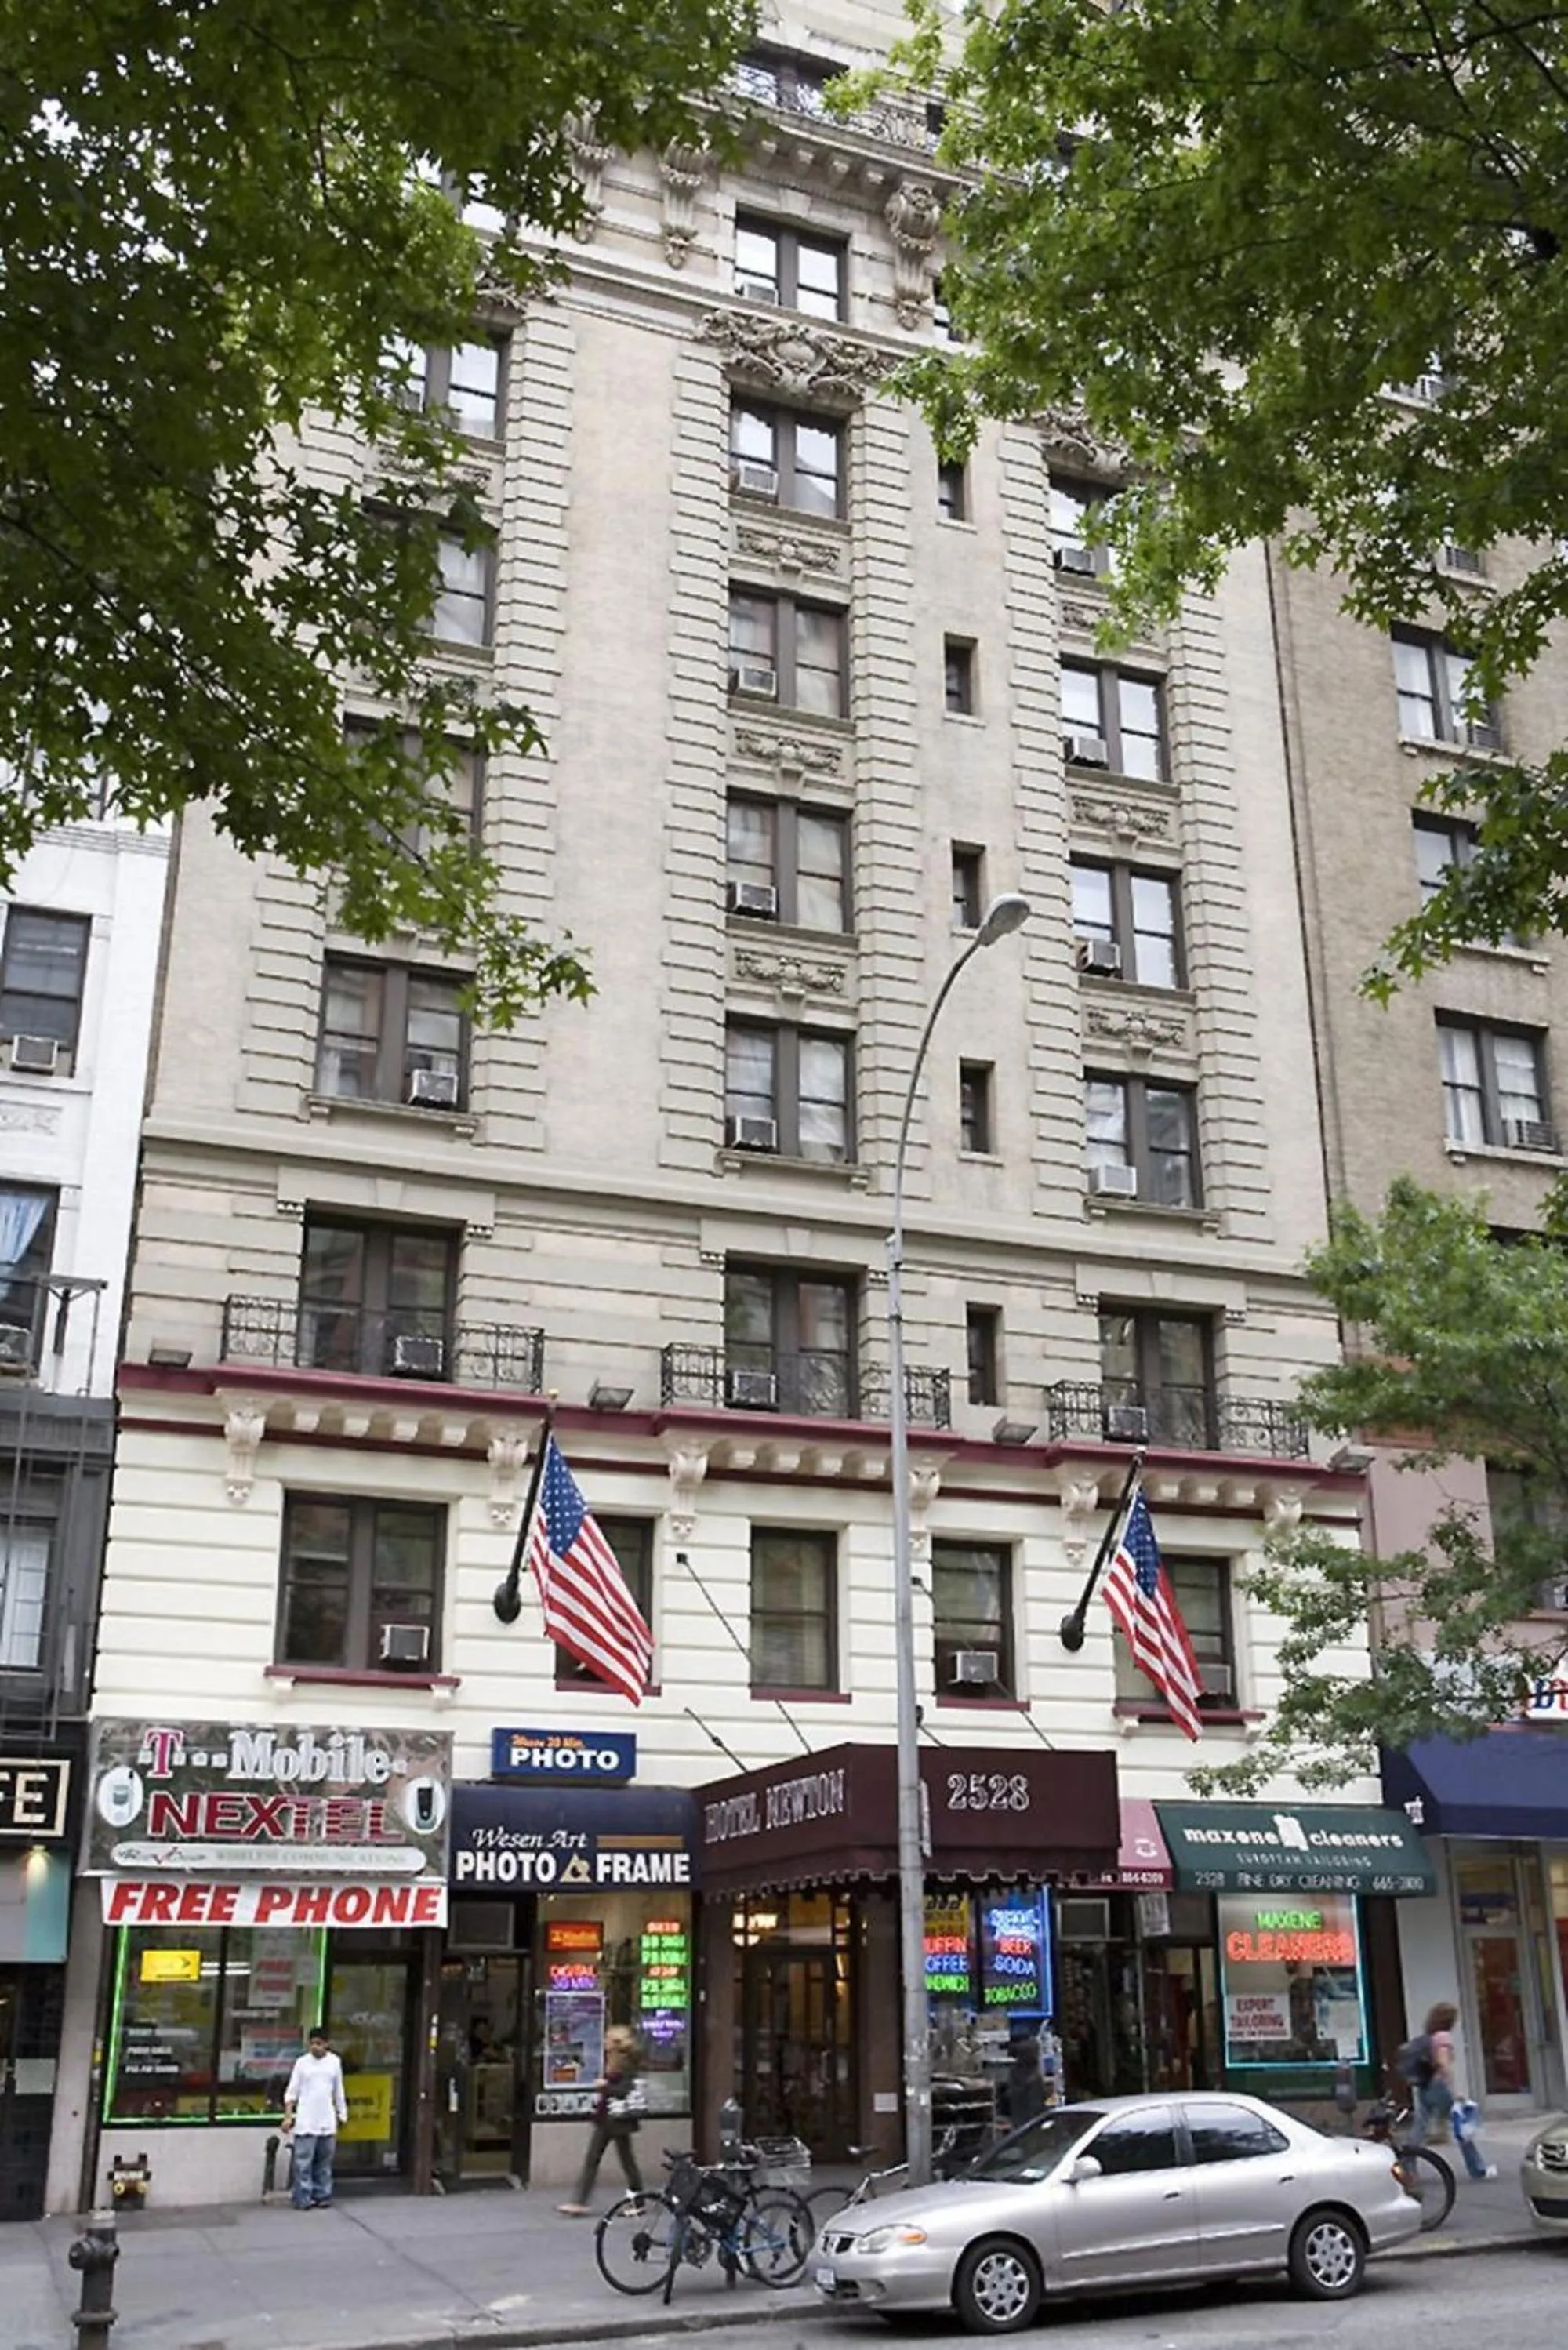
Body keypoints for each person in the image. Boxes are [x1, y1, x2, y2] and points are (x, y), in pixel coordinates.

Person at [1402, 2002, 1497, 2181]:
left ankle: (1407, 2165)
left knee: (1419, 2127)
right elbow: (1443, 2063)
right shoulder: (1443, 2037)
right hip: (1439, 2086)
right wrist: (1455, 2091)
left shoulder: (1430, 2037)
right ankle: (1478, 2169)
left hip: (1426, 2085)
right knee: (1462, 2128)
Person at [558, 2025, 643, 2216]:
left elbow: (624, 2090)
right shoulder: (613, 2060)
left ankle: (636, 2201)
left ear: (616, 2043)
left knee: (620, 2161)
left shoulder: (626, 2063)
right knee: (604, 2160)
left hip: (618, 2119)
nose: (604, 2042)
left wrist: (605, 2086)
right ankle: (581, 2201)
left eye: (608, 2039)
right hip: (607, 2118)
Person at [283, 2025, 349, 2210]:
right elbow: (292, 2092)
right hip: (306, 2120)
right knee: (303, 2163)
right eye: (312, 2043)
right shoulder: (302, 2063)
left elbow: (338, 2091)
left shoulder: (334, 2062)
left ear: (327, 2044)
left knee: (324, 2163)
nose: (315, 2047)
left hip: (326, 2120)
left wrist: (342, 2113)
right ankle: (303, 2197)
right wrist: (288, 2116)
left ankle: (322, 2195)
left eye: (319, 2043)